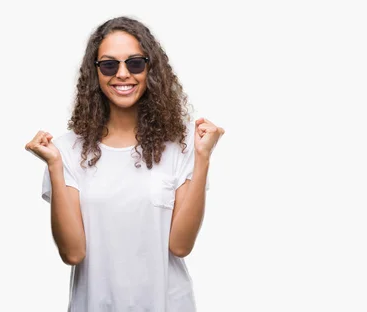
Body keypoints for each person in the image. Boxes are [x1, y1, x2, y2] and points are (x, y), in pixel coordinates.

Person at [24, 16, 224, 312]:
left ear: (149, 69)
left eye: (134, 63)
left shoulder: (181, 147)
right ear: (95, 73)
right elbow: (73, 253)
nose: (122, 74)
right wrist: (54, 165)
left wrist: (203, 158)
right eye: (109, 64)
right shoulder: (66, 150)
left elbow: (181, 246)